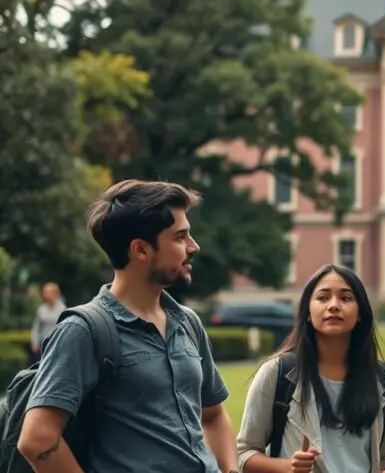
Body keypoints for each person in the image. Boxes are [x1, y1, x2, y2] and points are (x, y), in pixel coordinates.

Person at [17, 179, 238, 473]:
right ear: (141, 250)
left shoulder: (187, 322)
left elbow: (212, 415)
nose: (193, 246)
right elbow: (37, 440)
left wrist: (231, 469)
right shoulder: (83, 331)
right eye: (180, 237)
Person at [236, 264, 385, 473]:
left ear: (360, 313)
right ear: (307, 312)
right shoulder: (277, 373)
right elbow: (244, 453)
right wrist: (287, 467)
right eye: (323, 298)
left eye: (345, 298)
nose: (334, 305)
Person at [29, 282, 66, 363]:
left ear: (55, 293)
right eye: (44, 292)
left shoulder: (62, 309)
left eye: (48, 292)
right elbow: (36, 328)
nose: (45, 295)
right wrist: (34, 343)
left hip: (57, 346)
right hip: (43, 347)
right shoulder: (41, 309)